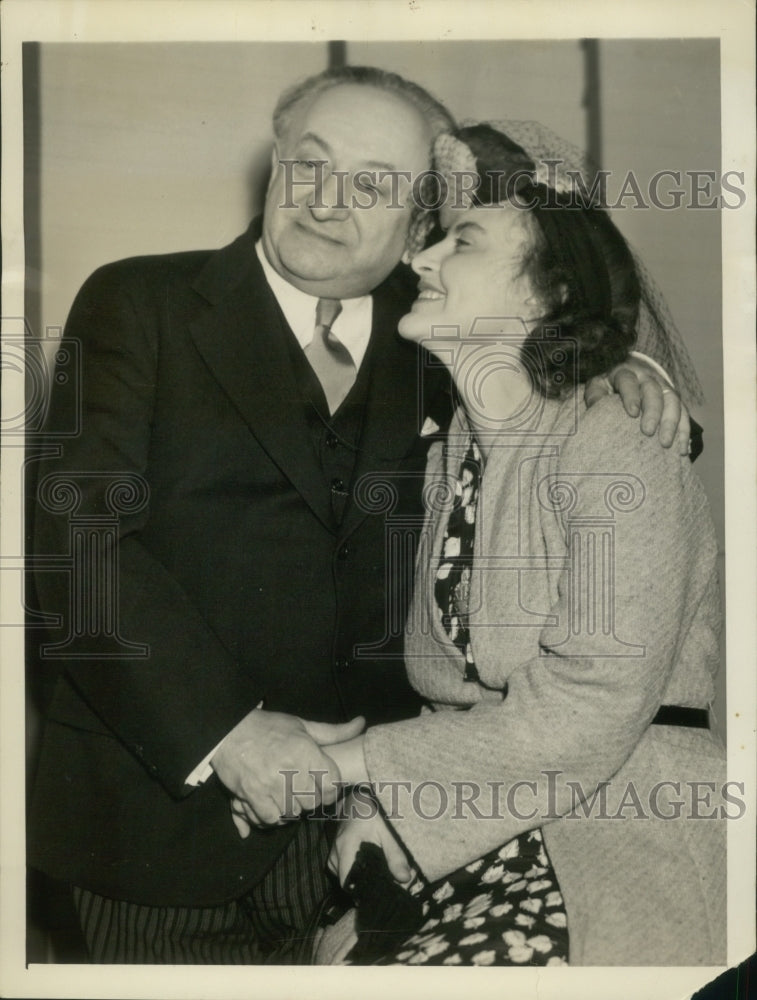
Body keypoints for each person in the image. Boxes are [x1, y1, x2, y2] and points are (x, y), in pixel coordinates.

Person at [28, 69, 687, 965]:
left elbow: (567, 385)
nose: (326, 203)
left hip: (381, 842)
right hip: (159, 824)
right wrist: (230, 736)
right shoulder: (140, 301)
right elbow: (79, 548)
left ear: (423, 221)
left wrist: (626, 368)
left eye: (373, 183)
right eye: (309, 164)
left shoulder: (440, 331)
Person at [318, 124, 725, 966]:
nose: (417, 262)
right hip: (480, 835)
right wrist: (384, 813)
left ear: (549, 292)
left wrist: (352, 765)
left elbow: (586, 704)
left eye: (458, 242)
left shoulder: (618, 439)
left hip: (615, 832)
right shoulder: (450, 455)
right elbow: (452, 698)